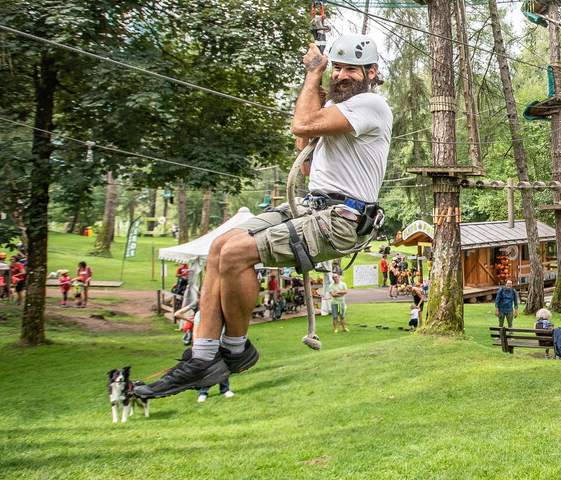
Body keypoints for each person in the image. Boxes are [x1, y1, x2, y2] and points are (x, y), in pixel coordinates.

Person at [134, 33, 392, 400]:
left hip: (341, 219)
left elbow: (300, 126)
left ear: (371, 73)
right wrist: (318, 95)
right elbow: (305, 157)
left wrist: (311, 76)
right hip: (313, 204)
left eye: (350, 69)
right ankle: (203, 356)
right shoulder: (339, 113)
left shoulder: (371, 105)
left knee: (238, 254)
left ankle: (236, 349)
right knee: (221, 247)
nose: (341, 75)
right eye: (336, 68)